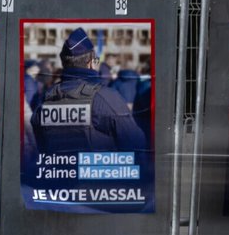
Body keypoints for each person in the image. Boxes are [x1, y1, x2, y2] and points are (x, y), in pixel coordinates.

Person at [27, 27, 146, 155]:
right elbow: (137, 144)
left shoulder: (46, 99)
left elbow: (40, 145)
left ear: (64, 64)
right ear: (91, 63)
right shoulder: (106, 98)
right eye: (96, 61)